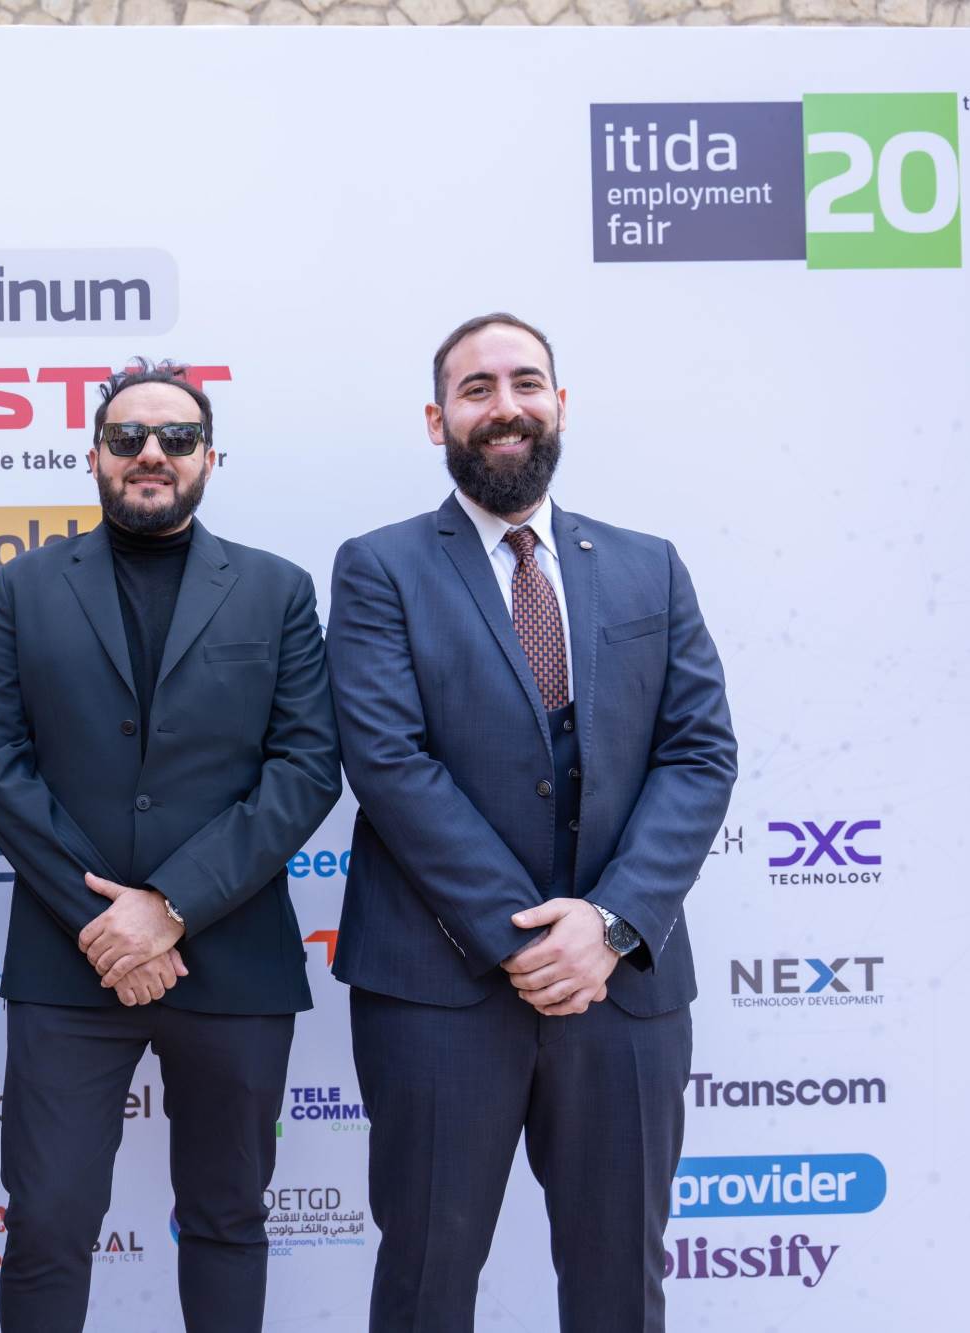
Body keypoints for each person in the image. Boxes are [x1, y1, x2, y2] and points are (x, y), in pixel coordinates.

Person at [328, 313, 738, 1332]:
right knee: (425, 1283)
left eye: (525, 382)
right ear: (438, 420)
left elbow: (699, 753)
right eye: (476, 389)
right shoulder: (379, 567)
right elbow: (387, 763)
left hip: (622, 988)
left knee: (619, 1288)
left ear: (559, 403)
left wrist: (607, 923)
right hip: (436, 987)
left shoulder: (649, 566)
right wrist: (527, 937)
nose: (503, 406)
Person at [0, 359, 341, 1333]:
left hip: (235, 958)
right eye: (127, 436)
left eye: (176, 437)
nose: (150, 454)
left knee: (227, 1218)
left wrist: (169, 906)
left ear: (210, 457)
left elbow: (305, 769)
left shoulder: (277, 589)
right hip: (69, 960)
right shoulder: (26, 586)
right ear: (94, 455)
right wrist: (108, 923)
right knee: (46, 1223)